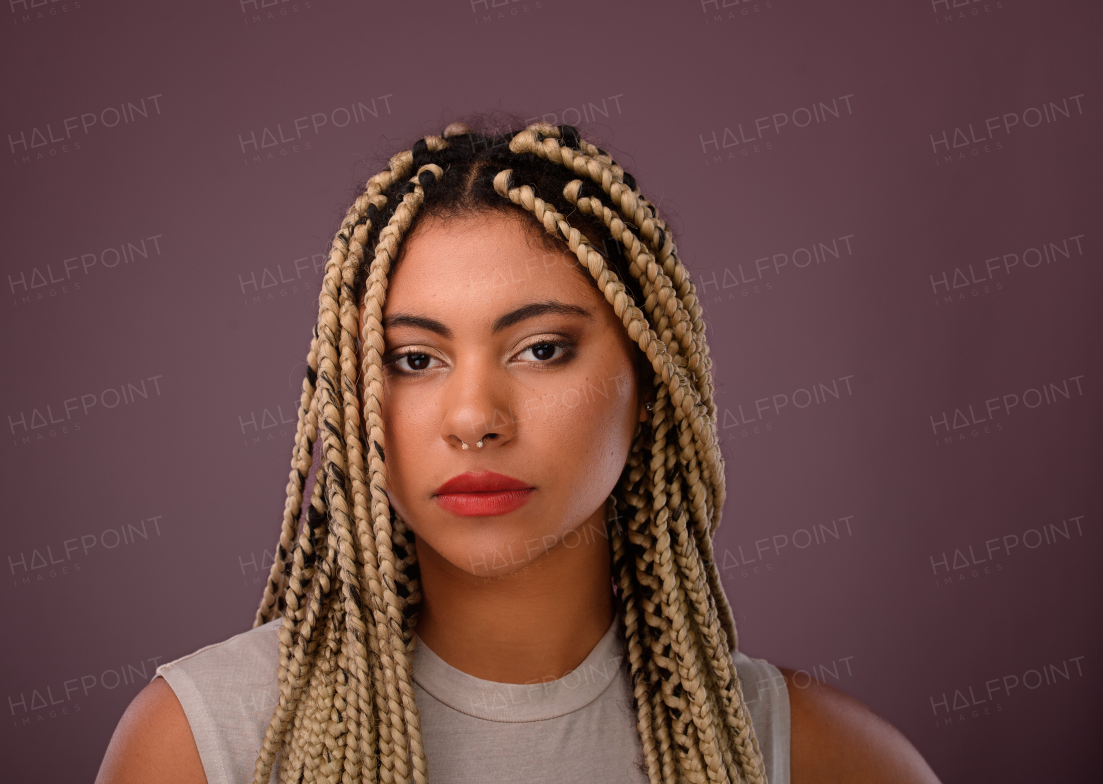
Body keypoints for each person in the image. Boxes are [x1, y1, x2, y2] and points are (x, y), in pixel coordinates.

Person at [96, 121, 940, 784]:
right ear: (354, 397)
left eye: (540, 348)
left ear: (649, 378)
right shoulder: (201, 745)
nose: (473, 418)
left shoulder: (808, 755)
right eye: (414, 359)